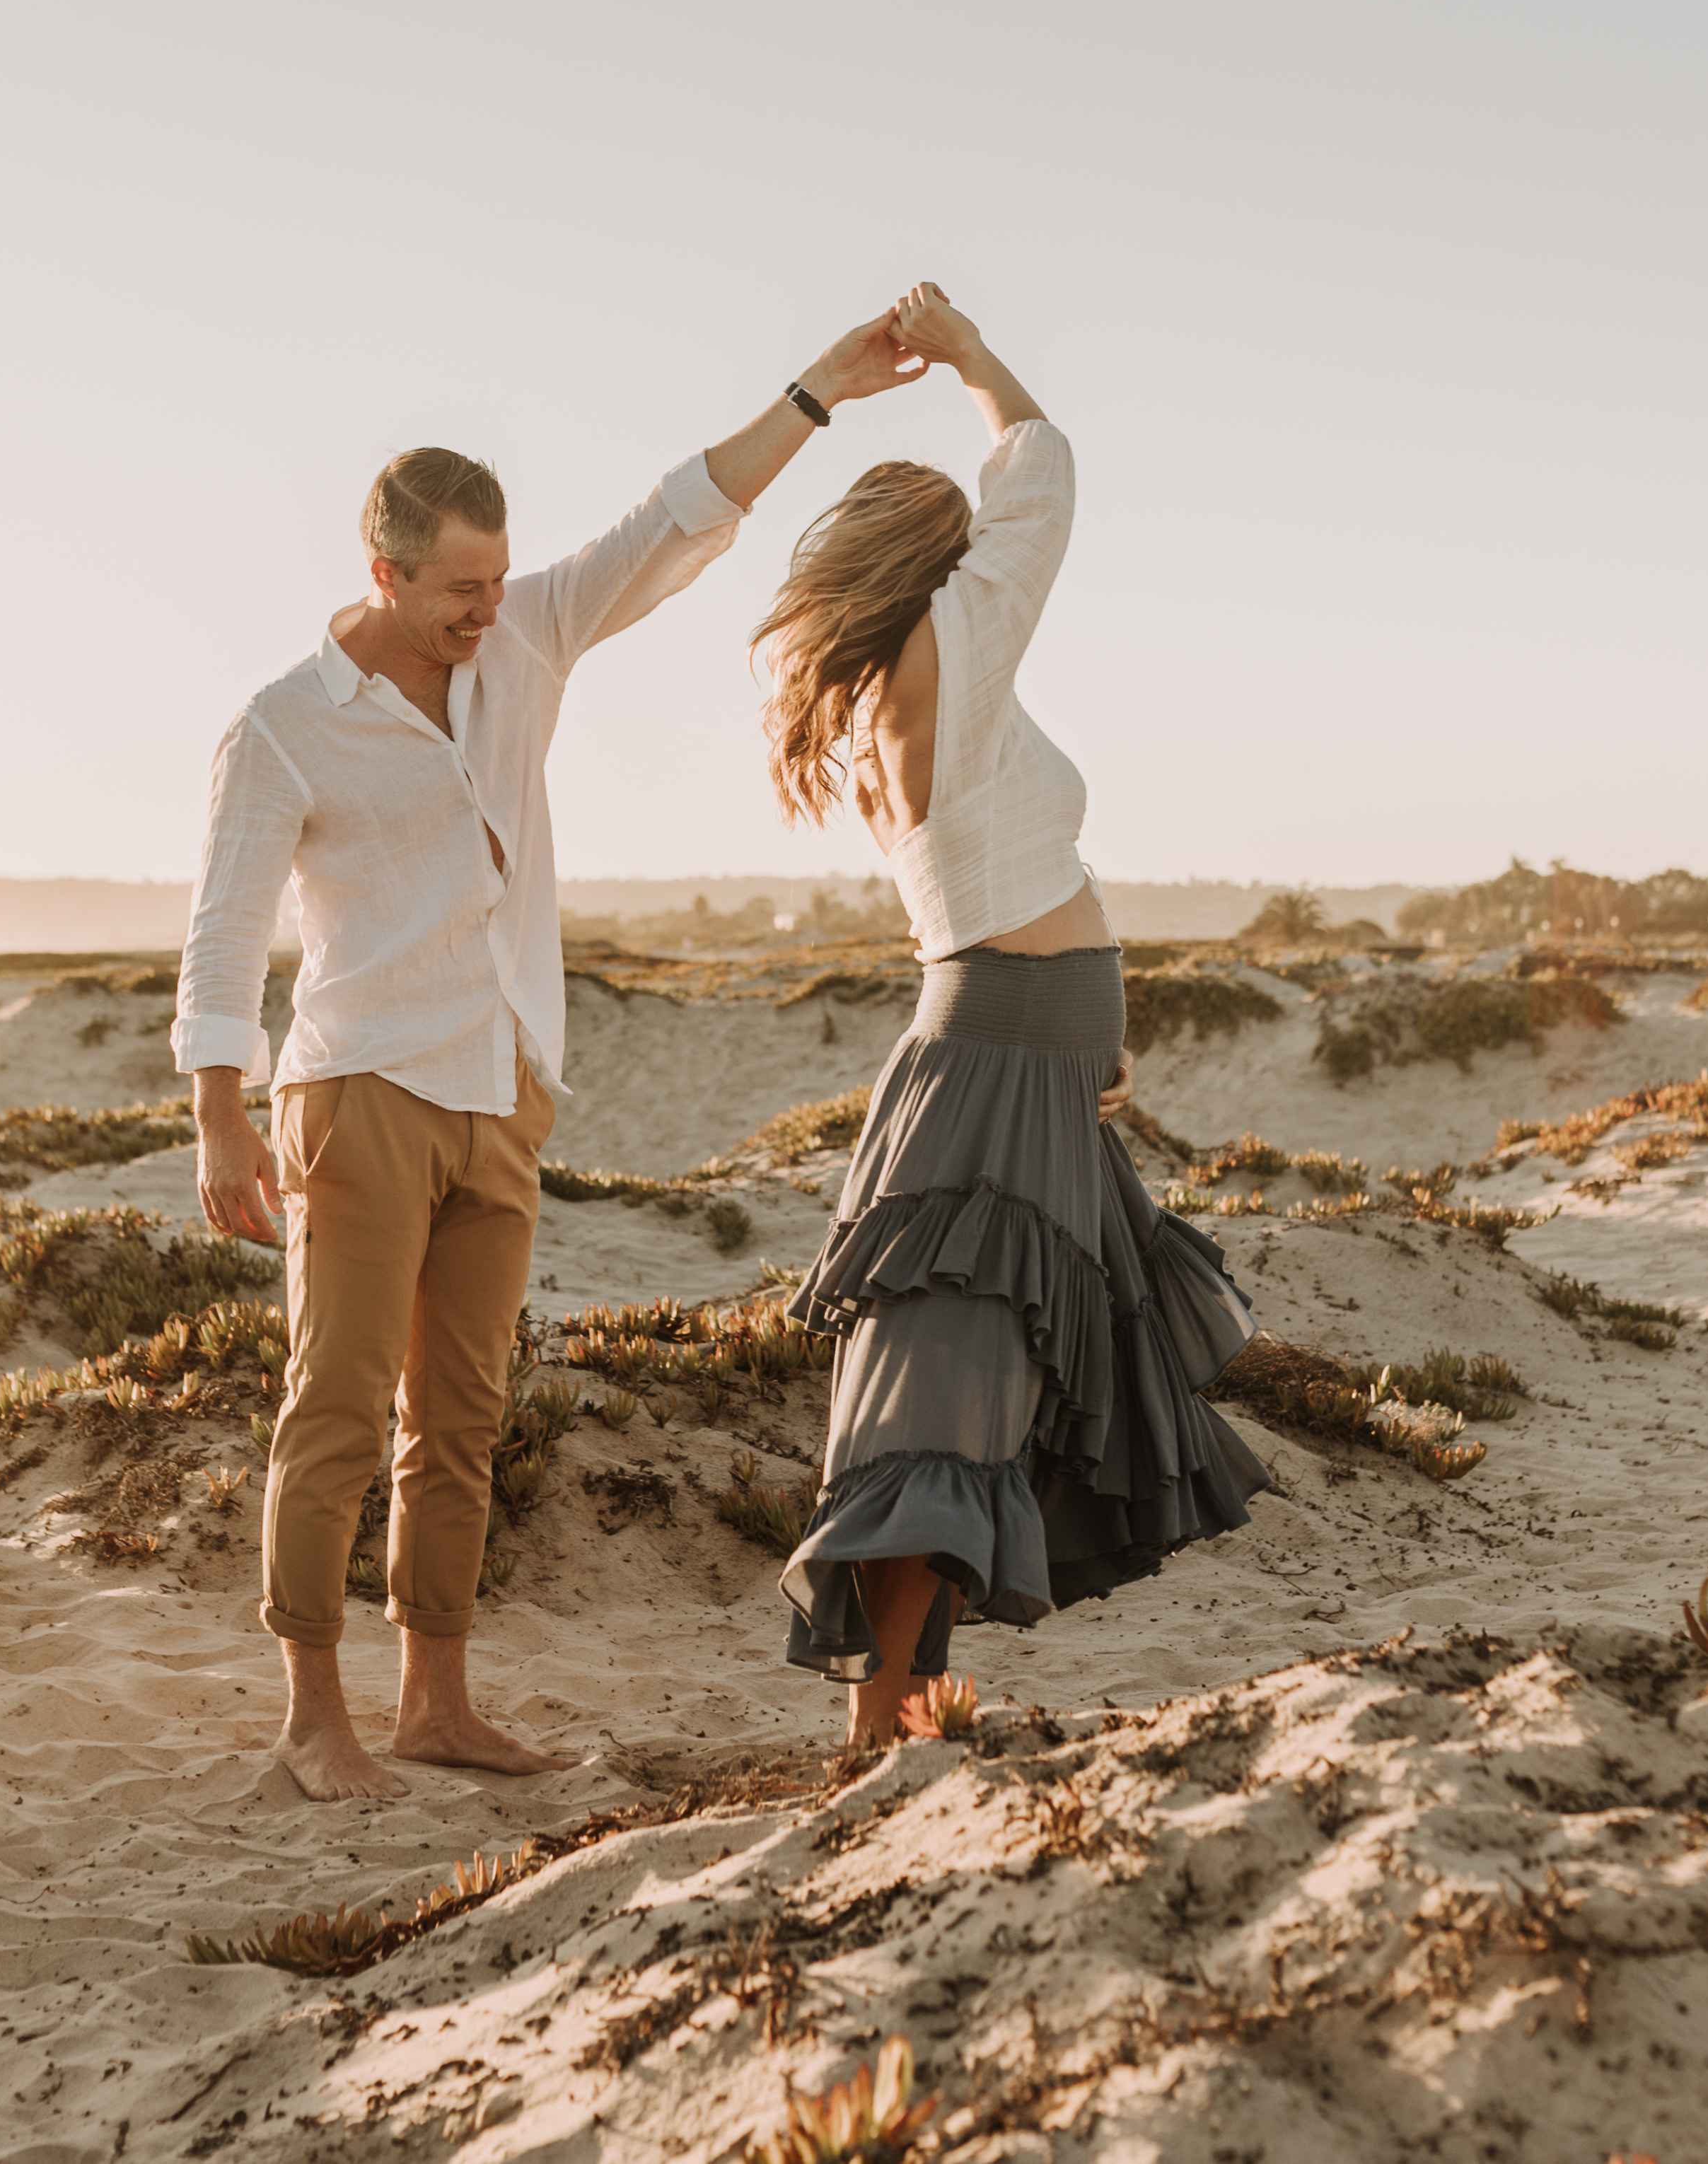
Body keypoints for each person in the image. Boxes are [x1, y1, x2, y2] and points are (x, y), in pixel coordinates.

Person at [181, 313, 927, 1800]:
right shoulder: (282, 729)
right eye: (457, 587)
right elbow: (224, 934)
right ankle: (311, 1712)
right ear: (381, 568)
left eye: (496, 578)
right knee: (335, 1405)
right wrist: (219, 1116)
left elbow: (675, 521)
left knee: (460, 1417)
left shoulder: (525, 632)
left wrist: (816, 392)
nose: (485, 608)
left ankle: (436, 1701)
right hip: (360, 1085)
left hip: (499, 1083)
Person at [751, 282, 1270, 1749]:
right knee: (952, 1373)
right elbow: (1038, 471)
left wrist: (1082, 1030)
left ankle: (902, 1696)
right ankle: (881, 1716)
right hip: (995, 1046)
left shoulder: (884, 692)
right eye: (960, 544)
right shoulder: (948, 651)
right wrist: (972, 355)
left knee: (996, 1368)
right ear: (936, 560)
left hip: (1016, 1042)